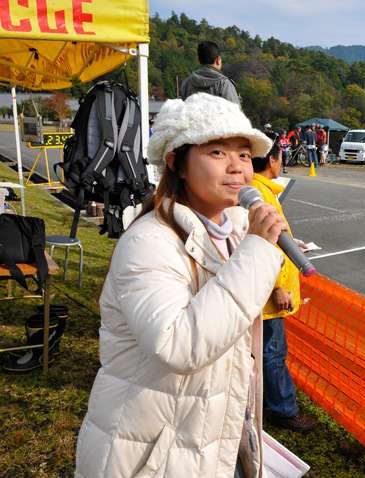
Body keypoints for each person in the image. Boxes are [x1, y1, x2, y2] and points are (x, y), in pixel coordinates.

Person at [74, 93, 285, 478]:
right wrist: (256, 254)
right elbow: (178, 345)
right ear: (177, 164)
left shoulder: (234, 227)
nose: (237, 167)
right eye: (218, 152)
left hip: (210, 429)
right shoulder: (148, 242)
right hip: (152, 449)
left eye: (243, 153)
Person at [251, 133, 318, 434]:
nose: (282, 163)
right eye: (281, 158)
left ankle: (268, 400)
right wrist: (277, 285)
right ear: (272, 160)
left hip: (267, 282)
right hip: (268, 288)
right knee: (273, 350)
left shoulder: (262, 189)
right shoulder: (258, 192)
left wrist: (295, 243)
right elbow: (259, 242)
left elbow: (276, 237)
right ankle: (283, 410)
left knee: (266, 349)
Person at [180, 41, 241, 105]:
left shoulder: (186, 83)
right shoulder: (224, 84)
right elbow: (235, 112)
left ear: (198, 60)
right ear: (218, 60)